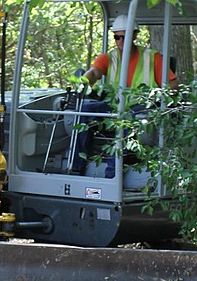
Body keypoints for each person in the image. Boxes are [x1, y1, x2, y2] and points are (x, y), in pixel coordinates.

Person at [72, 16, 177, 173]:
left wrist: (158, 98)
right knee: (84, 111)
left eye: (124, 36)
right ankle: (76, 168)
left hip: (141, 109)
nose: (120, 41)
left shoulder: (152, 57)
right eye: (117, 37)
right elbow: (94, 72)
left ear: (134, 35)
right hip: (114, 106)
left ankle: (112, 175)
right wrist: (84, 81)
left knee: (128, 121)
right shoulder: (108, 58)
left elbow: (173, 85)